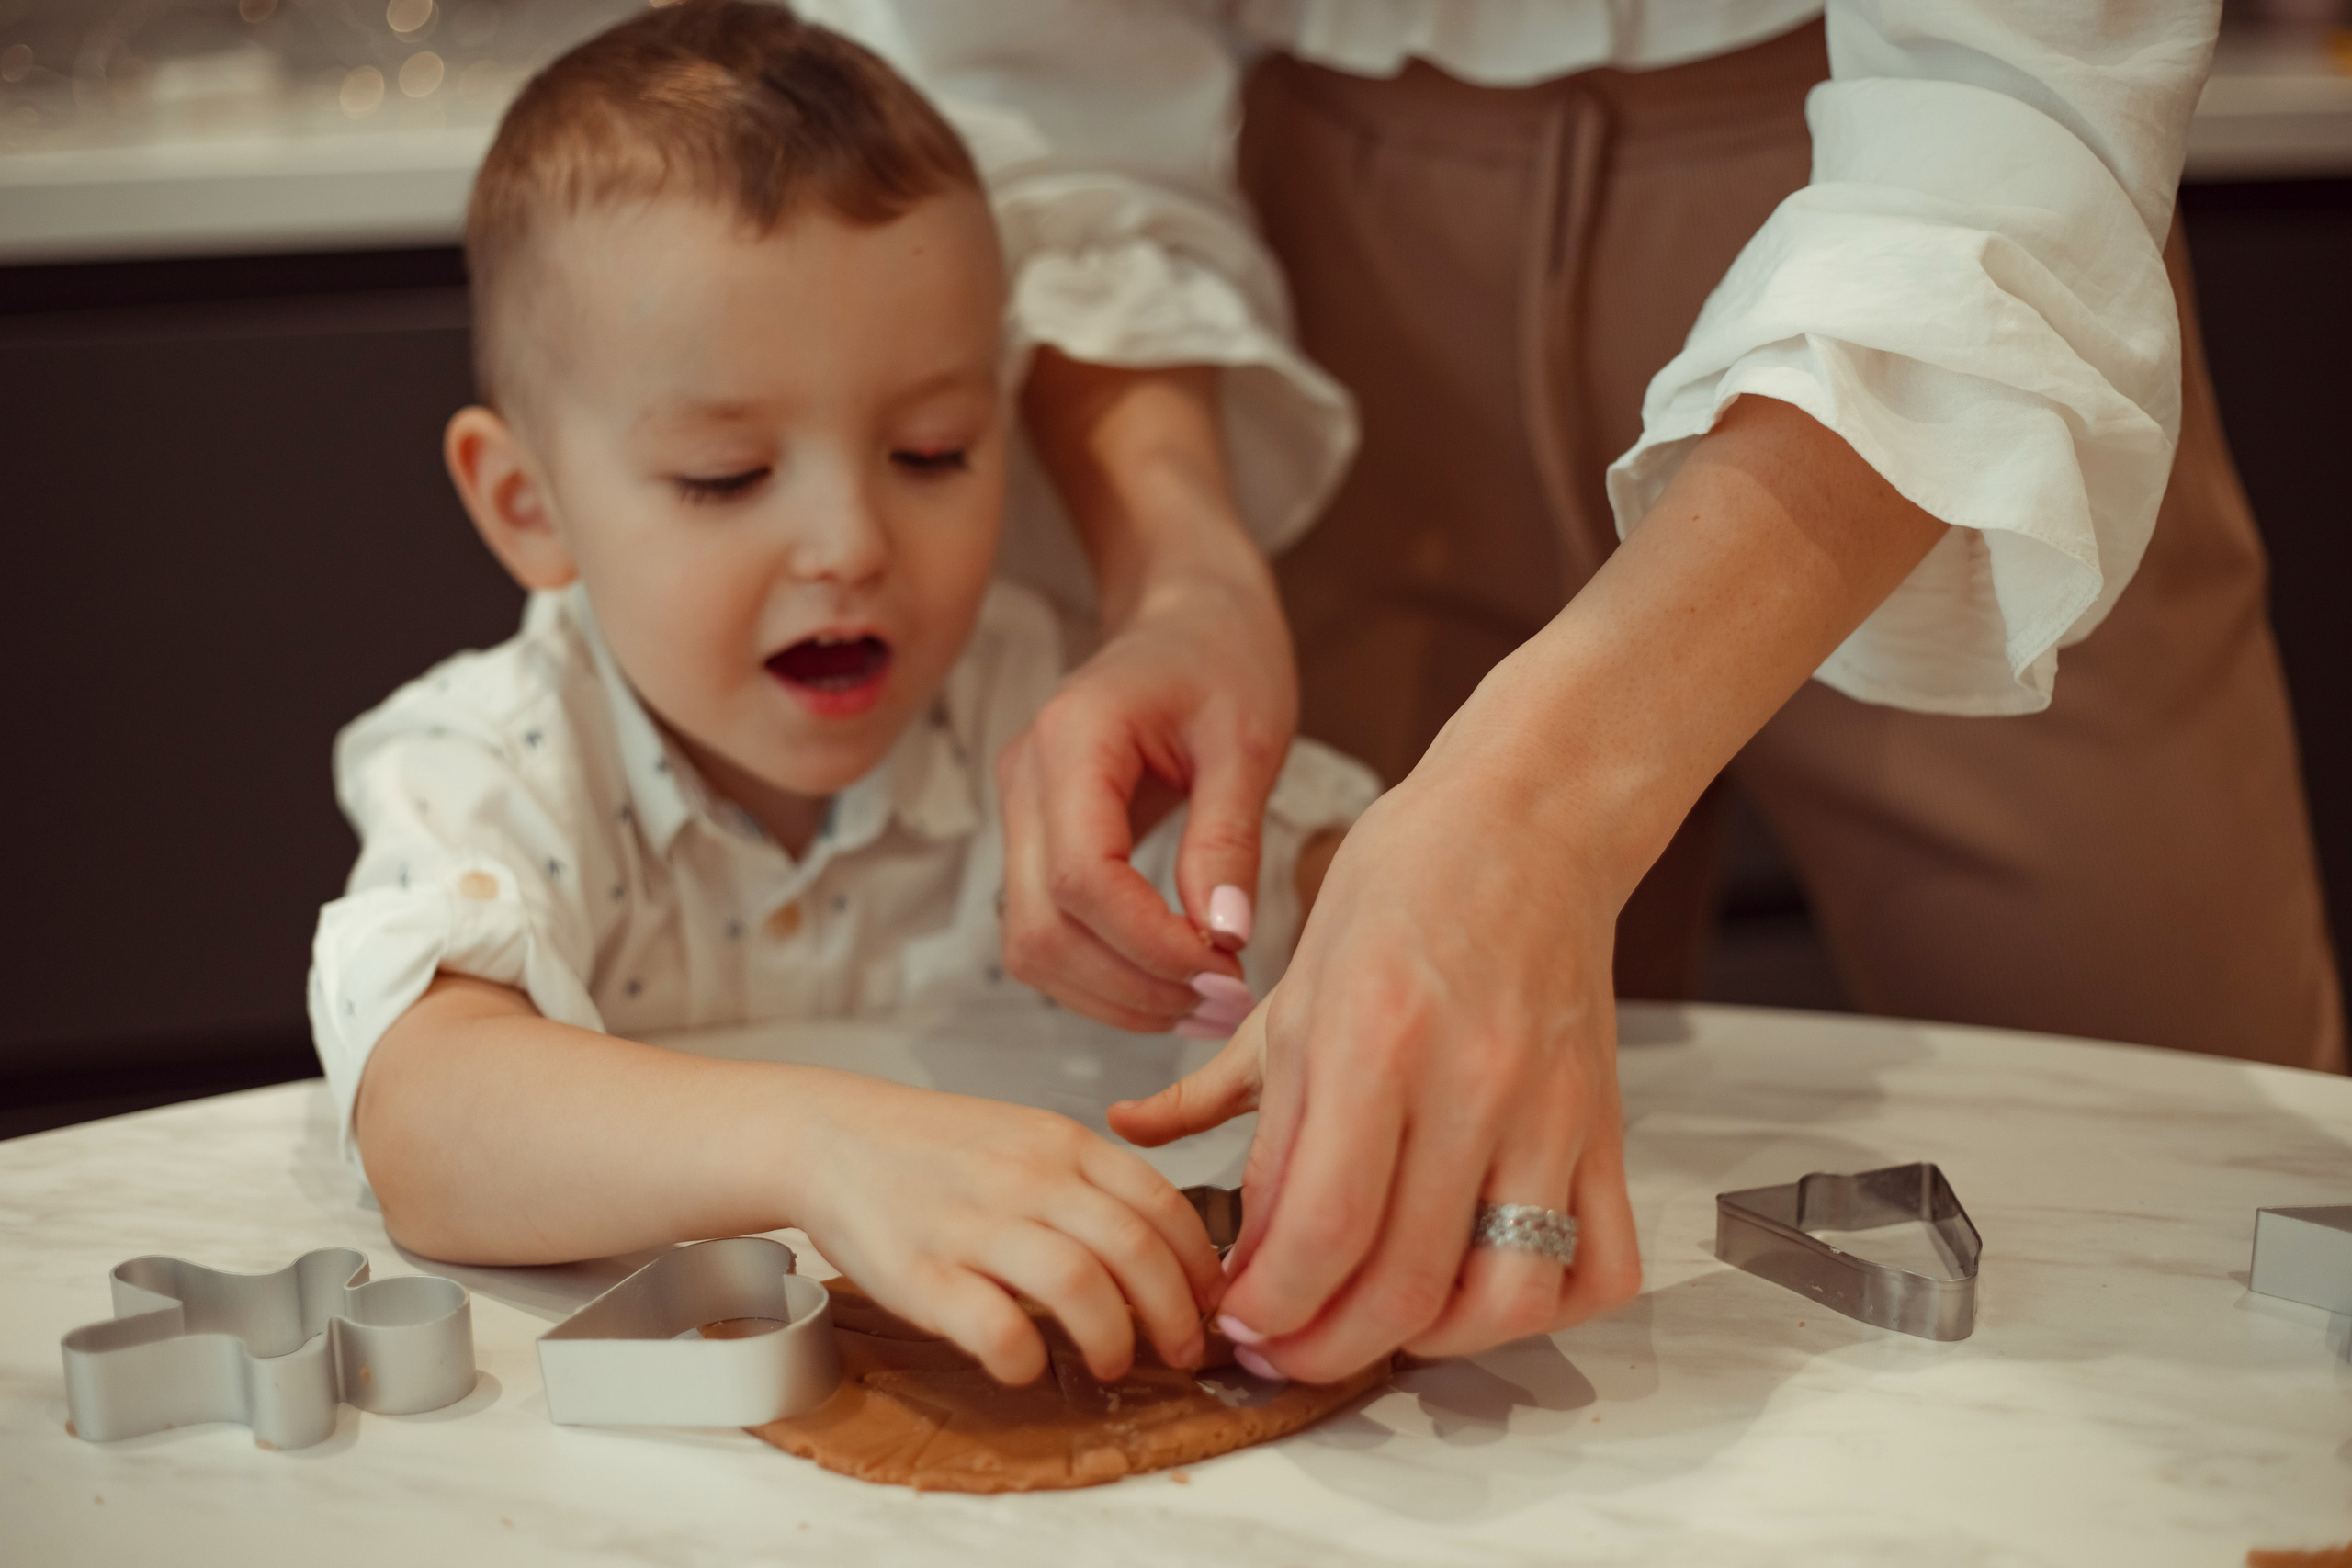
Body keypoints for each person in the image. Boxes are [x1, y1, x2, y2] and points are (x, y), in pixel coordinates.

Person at [815, 3, 2347, 1385]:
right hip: (1316, 286)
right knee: (1351, 1244)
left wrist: (1533, 812)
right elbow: (1031, 67)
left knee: (2235, 1225)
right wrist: (1182, 574)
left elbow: (2025, 100)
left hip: (1935, 233)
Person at [303, 2, 1382, 1388]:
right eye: (727, 477)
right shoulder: (494, 755)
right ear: (527, 502)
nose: (851, 546)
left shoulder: (1053, 720)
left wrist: (1346, 958)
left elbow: (1362, 879)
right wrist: (826, 1147)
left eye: (931, 452)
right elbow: (424, 1118)